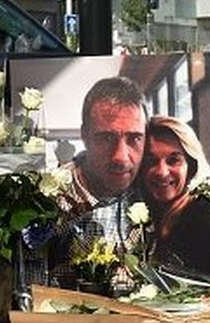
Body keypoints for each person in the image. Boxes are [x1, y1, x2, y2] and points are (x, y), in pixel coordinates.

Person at [50, 75, 147, 291]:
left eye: (134, 139)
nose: (121, 157)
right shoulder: (49, 202)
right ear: (84, 135)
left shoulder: (153, 187)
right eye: (106, 138)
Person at [139, 115, 210, 286]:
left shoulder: (208, 215)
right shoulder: (144, 206)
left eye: (174, 160)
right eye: (151, 161)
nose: (162, 172)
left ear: (190, 166)